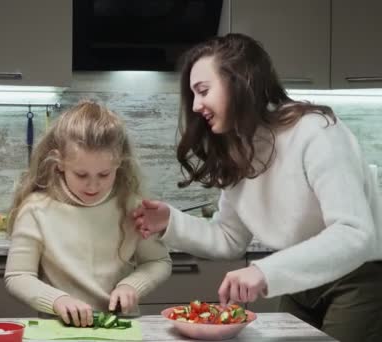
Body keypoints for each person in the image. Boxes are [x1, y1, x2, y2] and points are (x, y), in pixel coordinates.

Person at [132, 33, 382, 341]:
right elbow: (229, 238)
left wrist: (265, 271)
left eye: (203, 90)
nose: (196, 105)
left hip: (358, 277)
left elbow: (354, 232)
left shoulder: (316, 132)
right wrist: (171, 221)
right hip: (302, 282)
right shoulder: (241, 148)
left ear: (240, 82)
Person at [4, 101, 172, 327]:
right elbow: (18, 276)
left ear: (119, 164)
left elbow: (158, 261)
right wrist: (57, 300)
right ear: (60, 163)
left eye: (104, 174)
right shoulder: (36, 210)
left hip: (121, 326)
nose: (93, 186)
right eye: (81, 174)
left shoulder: (132, 206)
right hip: (60, 329)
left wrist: (132, 285)